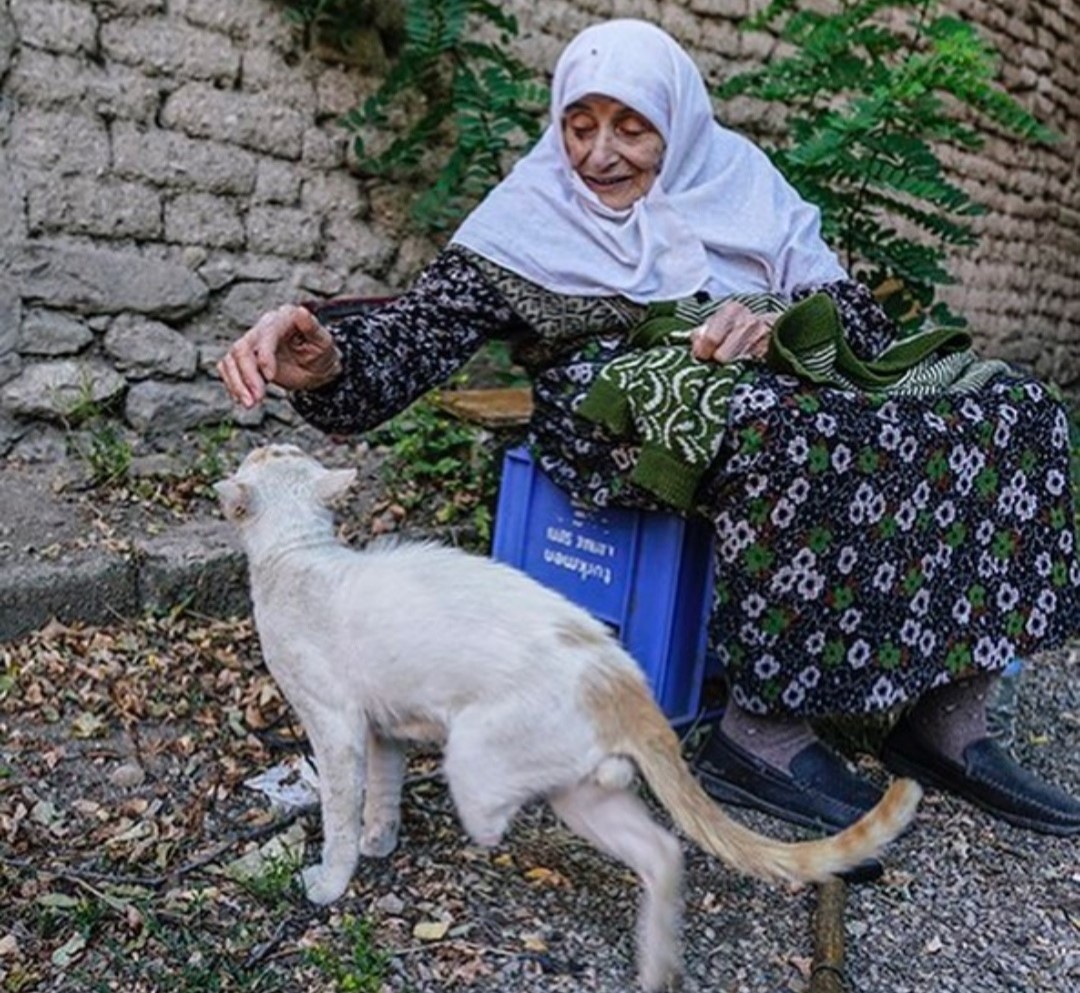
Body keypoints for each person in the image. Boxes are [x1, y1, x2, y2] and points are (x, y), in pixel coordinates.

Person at [218, 19, 1080, 837]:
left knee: (1012, 410)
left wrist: (773, 318)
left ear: (679, 124)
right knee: (782, 429)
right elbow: (409, 344)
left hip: (764, 387)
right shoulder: (531, 216)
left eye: (631, 127)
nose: (598, 153)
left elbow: (855, 321)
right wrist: (328, 365)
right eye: (580, 124)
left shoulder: (739, 182)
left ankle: (947, 721)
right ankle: (763, 737)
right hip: (611, 418)